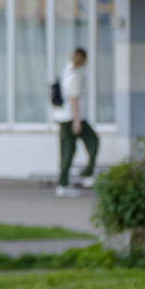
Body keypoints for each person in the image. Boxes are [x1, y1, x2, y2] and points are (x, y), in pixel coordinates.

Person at [54, 47, 98, 198]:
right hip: (73, 118)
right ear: (83, 59)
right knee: (93, 141)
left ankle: (63, 183)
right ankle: (87, 173)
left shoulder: (67, 72)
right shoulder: (76, 75)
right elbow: (73, 99)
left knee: (67, 151)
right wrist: (77, 120)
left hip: (63, 117)